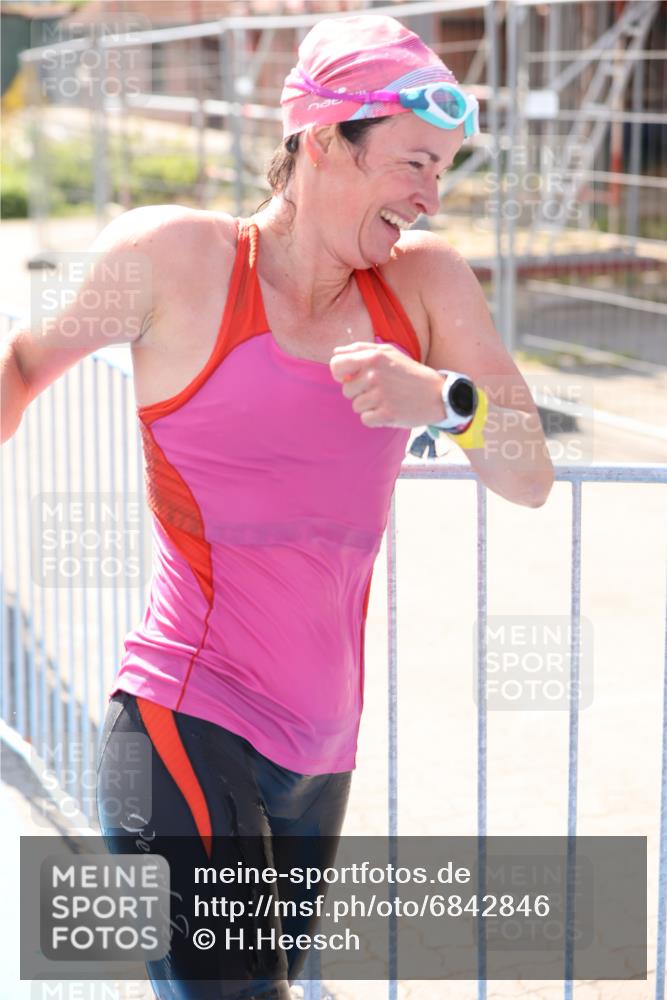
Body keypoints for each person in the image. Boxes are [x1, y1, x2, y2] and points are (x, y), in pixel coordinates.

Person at [1, 13, 554, 1000]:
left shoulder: (426, 287)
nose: (431, 195)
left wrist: (446, 401)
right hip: (184, 708)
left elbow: (528, 476)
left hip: (319, 750)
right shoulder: (178, 257)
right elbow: (20, 366)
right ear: (325, 136)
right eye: (414, 161)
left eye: (446, 167)